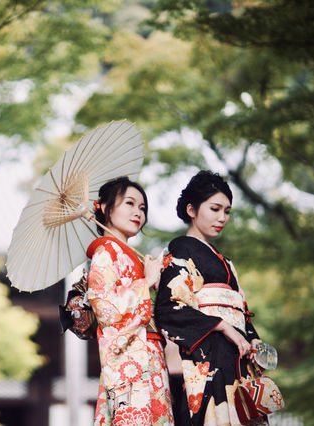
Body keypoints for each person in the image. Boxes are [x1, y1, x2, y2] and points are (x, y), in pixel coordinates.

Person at [154, 170, 267, 426]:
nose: (222, 217)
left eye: (227, 211)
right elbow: (170, 308)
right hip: (207, 356)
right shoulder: (181, 248)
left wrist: (253, 339)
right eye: (215, 208)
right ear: (192, 210)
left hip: (236, 357)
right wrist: (223, 325)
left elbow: (241, 312)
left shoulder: (225, 262)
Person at [86, 176, 174, 426]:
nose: (138, 212)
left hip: (151, 353)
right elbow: (105, 309)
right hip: (128, 360)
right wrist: (145, 282)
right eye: (129, 203)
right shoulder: (105, 253)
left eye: (142, 208)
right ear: (104, 208)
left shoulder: (132, 258)